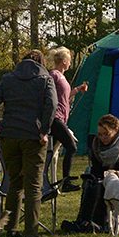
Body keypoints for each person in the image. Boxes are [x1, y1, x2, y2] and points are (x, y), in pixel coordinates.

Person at [0, 49, 58, 237]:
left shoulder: (8, 79)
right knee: (34, 186)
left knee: (14, 184)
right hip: (34, 137)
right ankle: (31, 233)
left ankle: (11, 229)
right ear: (42, 62)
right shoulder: (45, 79)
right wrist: (44, 130)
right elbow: (52, 104)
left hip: (9, 136)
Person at [66, 114, 119, 232]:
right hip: (108, 176)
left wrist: (114, 172)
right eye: (100, 134)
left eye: (106, 134)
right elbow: (96, 168)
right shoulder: (96, 145)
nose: (103, 138)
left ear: (116, 131)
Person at [46, 47, 87, 194]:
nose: (70, 64)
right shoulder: (54, 75)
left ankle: (47, 182)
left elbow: (65, 96)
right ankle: (66, 181)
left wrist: (77, 90)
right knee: (71, 146)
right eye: (69, 61)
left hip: (62, 118)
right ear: (63, 62)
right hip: (55, 118)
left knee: (50, 154)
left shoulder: (62, 77)